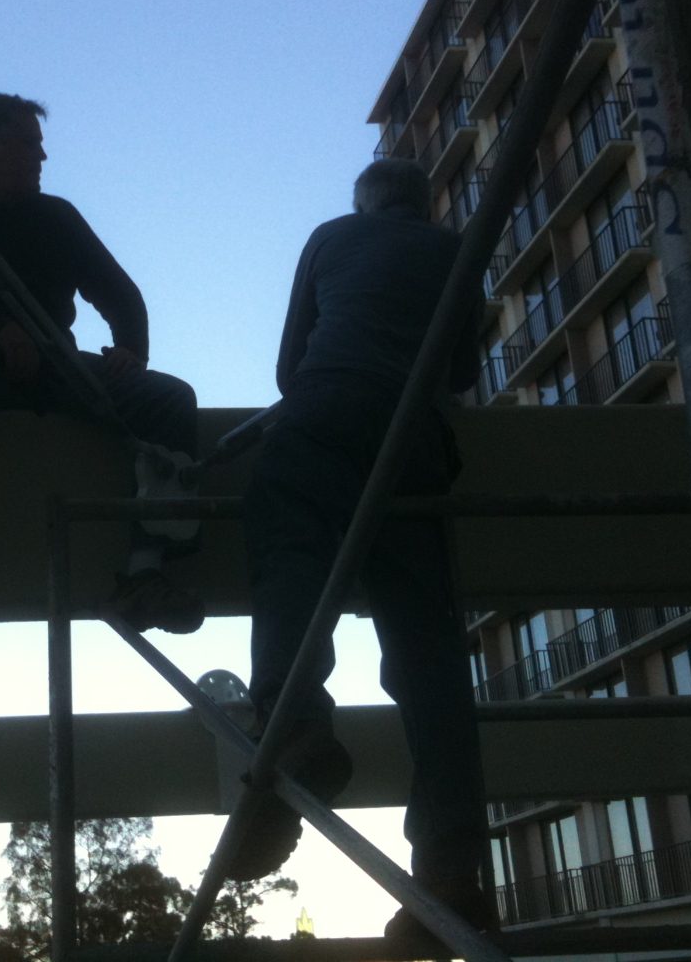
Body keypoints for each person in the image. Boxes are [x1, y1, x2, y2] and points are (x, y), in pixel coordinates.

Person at [229, 158, 491, 937]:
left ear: (362, 205)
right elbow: (464, 372)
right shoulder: (456, 250)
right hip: (413, 440)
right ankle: (451, 870)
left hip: (322, 414)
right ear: (425, 204)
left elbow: (288, 368)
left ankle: (296, 722)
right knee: (425, 649)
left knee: (289, 557)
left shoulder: (331, 237)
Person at [0, 92, 202, 633]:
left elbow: (119, 293)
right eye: (31, 144)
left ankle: (144, 572)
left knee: (169, 398)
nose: (43, 157)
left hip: (53, 370)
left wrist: (131, 350)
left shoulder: (57, 217)